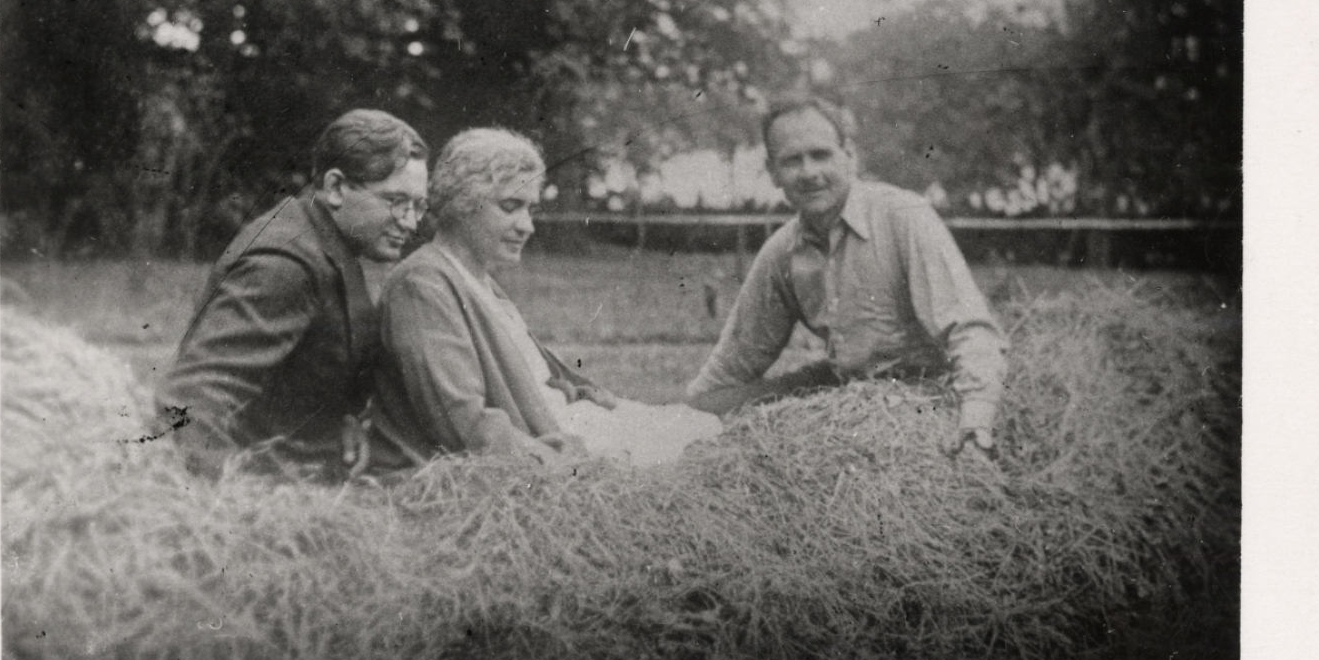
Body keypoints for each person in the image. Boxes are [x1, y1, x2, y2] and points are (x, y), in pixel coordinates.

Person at [369, 128, 722, 471]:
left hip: (563, 426)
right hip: (547, 447)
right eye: (510, 206)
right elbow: (466, 424)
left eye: (530, 209)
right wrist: (573, 463)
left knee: (701, 428)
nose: (527, 226)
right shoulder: (422, 286)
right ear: (463, 202)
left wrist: (612, 409)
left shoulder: (479, 281)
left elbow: (540, 385)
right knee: (686, 446)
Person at [686, 96, 1008, 459]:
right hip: (846, 393)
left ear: (849, 155)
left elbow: (969, 331)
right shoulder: (781, 253)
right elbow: (735, 361)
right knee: (715, 406)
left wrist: (976, 425)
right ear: (772, 171)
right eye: (792, 160)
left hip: (923, 393)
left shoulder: (903, 216)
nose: (809, 173)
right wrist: (680, 414)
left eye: (821, 155)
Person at [158, 109, 430, 480]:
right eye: (396, 202)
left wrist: (341, 420)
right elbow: (191, 398)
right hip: (270, 497)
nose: (410, 222)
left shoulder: (328, 239)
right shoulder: (285, 265)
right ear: (335, 188)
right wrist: (234, 506)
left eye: (418, 205)